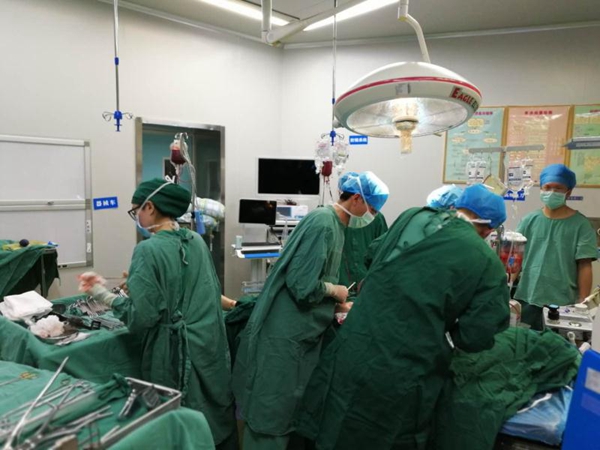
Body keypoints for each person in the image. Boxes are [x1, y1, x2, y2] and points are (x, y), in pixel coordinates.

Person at [295, 184, 510, 450]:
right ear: (489, 229)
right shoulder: (487, 261)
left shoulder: (412, 217)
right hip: (403, 371)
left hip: (354, 347)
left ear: (457, 205)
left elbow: (372, 255)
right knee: (381, 436)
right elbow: (475, 335)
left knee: (334, 424)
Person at [232, 171, 389, 450]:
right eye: (373, 210)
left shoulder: (336, 225)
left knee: (288, 413)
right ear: (356, 199)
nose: (373, 217)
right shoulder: (324, 224)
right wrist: (334, 290)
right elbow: (302, 285)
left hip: (300, 333)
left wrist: (337, 303)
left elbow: (315, 277)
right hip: (285, 336)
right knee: (272, 415)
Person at [78, 178, 236, 449]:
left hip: (174, 355)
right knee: (211, 416)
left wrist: (101, 293)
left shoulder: (148, 249)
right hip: (208, 348)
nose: (136, 218)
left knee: (179, 423)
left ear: (149, 207)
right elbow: (195, 289)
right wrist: (140, 283)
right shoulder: (196, 240)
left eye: (135, 210)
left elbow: (143, 317)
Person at [514, 164, 597, 330]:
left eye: (558, 188)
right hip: (527, 297)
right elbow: (515, 258)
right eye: (547, 187)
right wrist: (504, 287)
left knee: (557, 343)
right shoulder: (529, 220)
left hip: (562, 301)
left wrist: (583, 302)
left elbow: (584, 265)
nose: (551, 192)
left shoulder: (581, 225)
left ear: (569, 192)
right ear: (541, 189)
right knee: (524, 342)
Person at [337, 172, 389, 292]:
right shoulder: (334, 221)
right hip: (339, 289)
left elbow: (383, 254)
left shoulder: (375, 219)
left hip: (367, 287)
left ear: (357, 198)